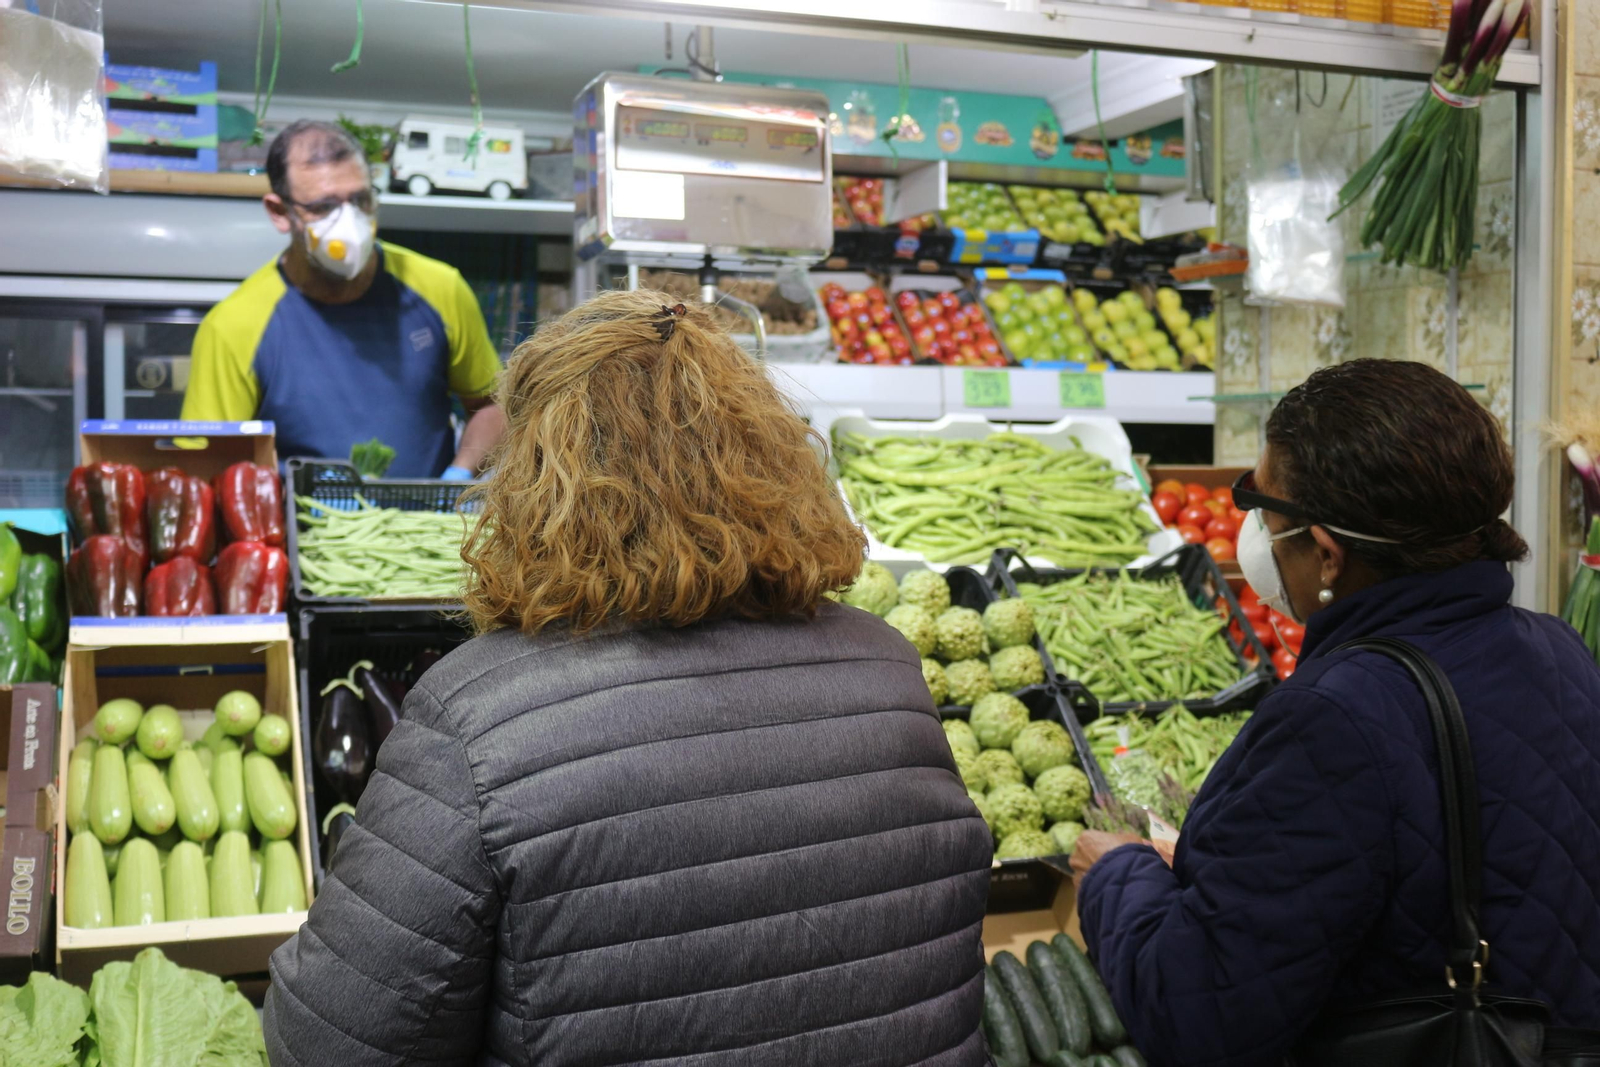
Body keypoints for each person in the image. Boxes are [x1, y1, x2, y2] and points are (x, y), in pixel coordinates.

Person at [262, 290, 995, 1067]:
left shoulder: (479, 715)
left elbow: (328, 1044)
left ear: (536, 481)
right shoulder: (887, 666)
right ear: (768, 451)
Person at [1072, 359, 1600, 1067]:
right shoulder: (1561, 648)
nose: (1254, 530)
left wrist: (1117, 876)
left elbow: (1200, 1016)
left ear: (1325, 554)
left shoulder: (1334, 718)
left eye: (1264, 507)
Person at [182, 120, 505, 479]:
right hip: (303, 531)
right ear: (279, 213)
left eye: (361, 200)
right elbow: (207, 466)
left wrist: (460, 474)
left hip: (427, 528)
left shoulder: (441, 289)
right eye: (323, 207)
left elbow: (491, 405)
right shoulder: (234, 326)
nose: (349, 221)